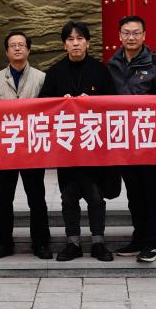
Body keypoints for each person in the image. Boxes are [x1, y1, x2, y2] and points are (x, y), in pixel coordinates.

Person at [41, 20, 117, 262]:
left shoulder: (100, 70)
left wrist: (93, 102)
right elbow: (43, 107)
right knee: (69, 196)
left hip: (93, 146)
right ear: (64, 45)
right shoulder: (54, 73)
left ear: (88, 43)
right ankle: (72, 242)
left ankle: (98, 242)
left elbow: (113, 104)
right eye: (70, 39)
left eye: (80, 39)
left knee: (95, 195)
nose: (75, 43)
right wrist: (59, 103)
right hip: (66, 147)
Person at [107, 15, 156, 263]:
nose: (131, 37)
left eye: (136, 33)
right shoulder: (112, 64)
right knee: (134, 192)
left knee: (153, 191)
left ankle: (153, 243)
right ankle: (139, 238)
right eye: (126, 33)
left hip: (149, 139)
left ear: (144, 36)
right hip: (124, 139)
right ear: (119, 36)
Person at [0, 30, 51, 260]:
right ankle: (4, 243)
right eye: (12, 45)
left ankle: (41, 243)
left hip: (33, 147)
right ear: (6, 51)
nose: (17, 48)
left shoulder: (41, 78)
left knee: (37, 198)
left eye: (21, 45)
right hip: (5, 148)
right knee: (4, 199)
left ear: (28, 49)